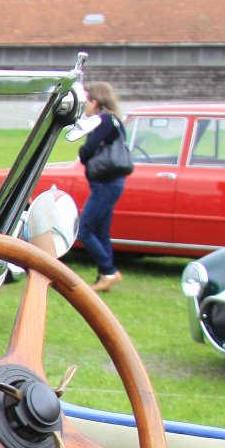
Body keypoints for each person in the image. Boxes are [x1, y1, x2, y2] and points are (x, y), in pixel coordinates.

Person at [78, 81, 127, 294]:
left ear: (96, 101)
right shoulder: (115, 120)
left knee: (85, 229)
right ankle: (104, 277)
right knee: (101, 230)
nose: (85, 106)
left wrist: (83, 153)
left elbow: (87, 150)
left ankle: (109, 271)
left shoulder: (103, 120)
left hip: (104, 183)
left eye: (87, 100)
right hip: (113, 182)